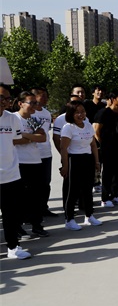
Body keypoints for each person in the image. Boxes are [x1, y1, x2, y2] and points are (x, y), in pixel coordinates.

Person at [60, 100, 102, 230]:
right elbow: (63, 149)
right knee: (72, 191)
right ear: (71, 114)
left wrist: (96, 161)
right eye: (77, 112)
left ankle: (89, 216)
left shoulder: (88, 125)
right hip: (74, 160)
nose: (80, 115)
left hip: (87, 159)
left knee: (87, 190)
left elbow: (93, 145)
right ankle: (69, 219)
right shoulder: (68, 128)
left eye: (83, 111)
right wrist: (65, 166)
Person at [1, 85, 32, 259]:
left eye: (7, 98)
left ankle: (13, 247)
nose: (5, 101)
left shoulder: (12, 119)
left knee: (11, 215)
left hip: (11, 174)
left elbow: (15, 140)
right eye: (1, 98)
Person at [13, 91, 49, 238]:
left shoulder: (34, 119)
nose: (35, 105)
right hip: (19, 162)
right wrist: (32, 137)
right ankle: (17, 227)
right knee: (20, 197)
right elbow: (13, 140)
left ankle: (37, 225)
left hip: (35, 161)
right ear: (20, 103)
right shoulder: (13, 118)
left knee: (37, 196)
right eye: (31, 103)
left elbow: (43, 137)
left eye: (36, 102)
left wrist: (25, 136)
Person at [94, 91, 118, 207]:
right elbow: (96, 131)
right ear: (113, 99)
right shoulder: (104, 113)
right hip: (107, 147)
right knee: (107, 173)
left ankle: (114, 196)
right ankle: (104, 198)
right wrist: (103, 144)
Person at [31, 87, 56, 217]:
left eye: (47, 96)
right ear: (35, 97)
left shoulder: (46, 113)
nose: (46, 99)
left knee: (46, 183)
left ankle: (43, 207)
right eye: (43, 96)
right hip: (32, 154)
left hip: (46, 153)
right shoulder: (30, 113)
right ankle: (31, 211)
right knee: (33, 185)